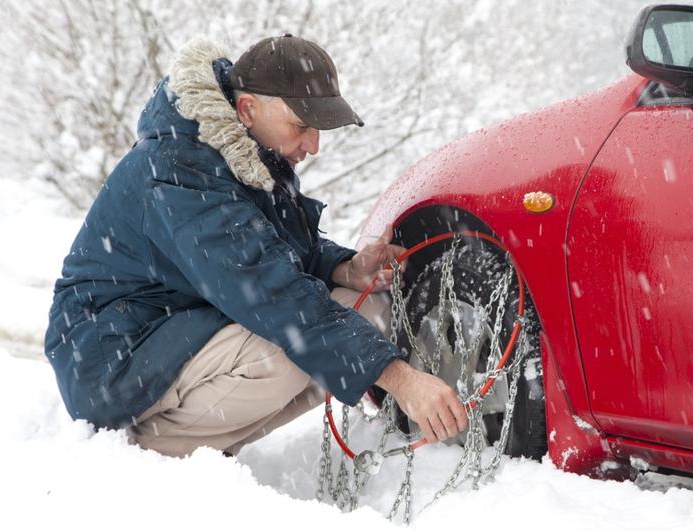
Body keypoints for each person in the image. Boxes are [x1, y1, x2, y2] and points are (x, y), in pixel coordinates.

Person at [44, 34, 467, 457]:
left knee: (365, 307)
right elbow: (273, 293)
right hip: (112, 356)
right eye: (302, 125)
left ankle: (200, 434)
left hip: (182, 324)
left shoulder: (247, 151)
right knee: (286, 354)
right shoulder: (179, 172)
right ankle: (145, 450)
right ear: (248, 109)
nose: (314, 144)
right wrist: (401, 379)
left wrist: (346, 270)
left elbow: (278, 251)